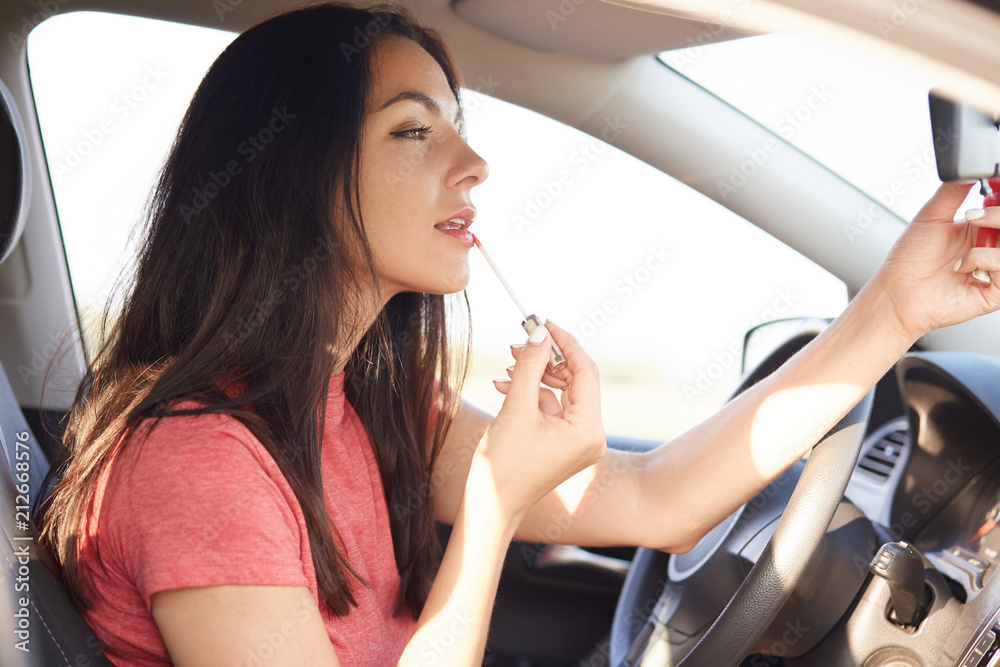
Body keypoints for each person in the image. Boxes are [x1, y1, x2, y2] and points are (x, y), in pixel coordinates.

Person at [35, 2, 1000, 665]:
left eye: (457, 124)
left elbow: (660, 499)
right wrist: (495, 504)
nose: (477, 163)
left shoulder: (365, 405)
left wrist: (896, 308)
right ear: (293, 175)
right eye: (417, 132)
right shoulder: (199, 462)